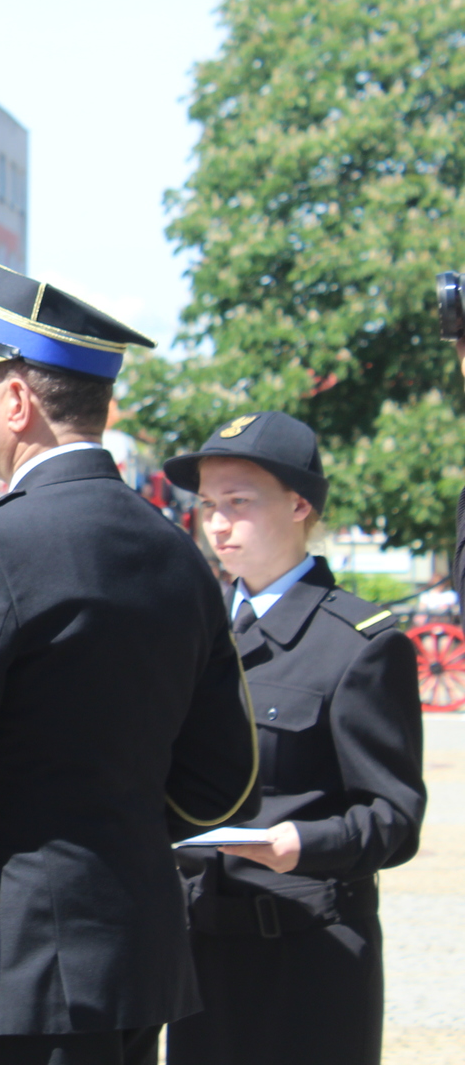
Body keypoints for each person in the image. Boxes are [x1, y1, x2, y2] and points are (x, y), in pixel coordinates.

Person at [0, 264, 260, 1065]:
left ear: (16, 402)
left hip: (5, 965)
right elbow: (224, 778)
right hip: (135, 951)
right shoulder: (179, 556)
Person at [162, 411, 424, 1065]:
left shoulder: (358, 646)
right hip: (198, 950)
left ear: (300, 504)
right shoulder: (189, 628)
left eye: (239, 503)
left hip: (307, 957)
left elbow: (394, 818)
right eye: (207, 505)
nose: (216, 523)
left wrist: (302, 842)